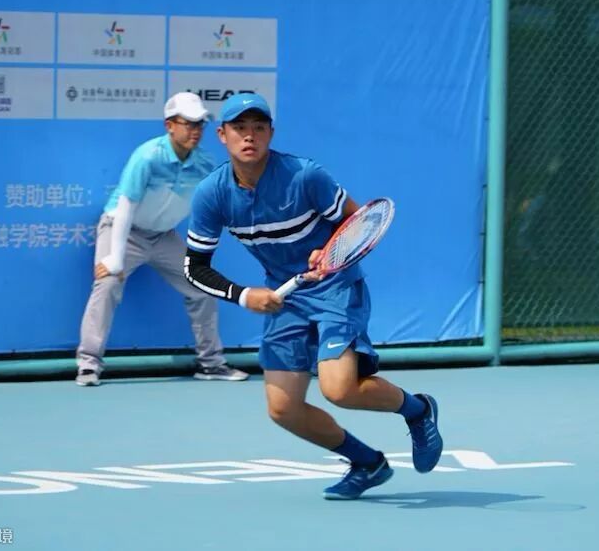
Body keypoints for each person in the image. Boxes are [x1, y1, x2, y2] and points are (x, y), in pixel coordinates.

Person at [184, 93, 443, 499]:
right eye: (239, 128)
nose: (249, 136)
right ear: (222, 135)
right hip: (286, 297)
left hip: (335, 288)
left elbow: (359, 221)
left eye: (258, 128)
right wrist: (244, 295)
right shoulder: (211, 194)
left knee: (339, 389)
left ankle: (419, 410)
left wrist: (329, 249)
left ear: (271, 133)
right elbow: (194, 267)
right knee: (283, 409)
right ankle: (367, 463)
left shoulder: (305, 176)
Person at [75, 92, 249, 387]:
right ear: (170, 126)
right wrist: (115, 257)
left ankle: (211, 364)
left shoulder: (205, 163)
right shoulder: (148, 156)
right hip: (121, 229)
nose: (196, 130)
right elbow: (126, 206)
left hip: (163, 237)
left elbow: (221, 201)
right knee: (107, 283)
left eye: (200, 124)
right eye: (188, 123)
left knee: (203, 287)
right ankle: (88, 364)